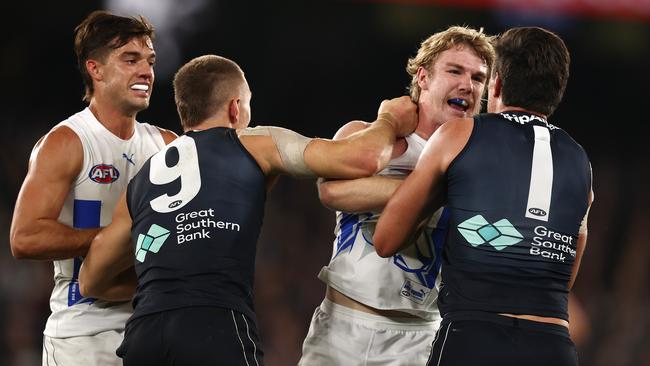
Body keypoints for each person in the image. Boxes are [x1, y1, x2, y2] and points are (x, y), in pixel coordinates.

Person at [77, 54, 418, 366]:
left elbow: (91, 279)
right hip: (214, 325)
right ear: (236, 108)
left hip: (145, 334)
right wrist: (389, 118)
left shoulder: (142, 180)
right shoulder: (252, 143)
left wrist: (165, 285)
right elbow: (363, 158)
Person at [374, 27, 593, 366]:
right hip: (553, 346)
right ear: (557, 92)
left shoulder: (460, 134)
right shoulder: (581, 161)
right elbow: (564, 276)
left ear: (497, 83)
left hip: (474, 337)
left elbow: (386, 239)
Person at [299, 26, 495, 365]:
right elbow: (330, 191)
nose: (468, 84)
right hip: (341, 328)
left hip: (418, 338)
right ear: (423, 77)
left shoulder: (479, 163)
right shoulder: (365, 136)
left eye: (478, 78)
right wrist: (436, 191)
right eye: (455, 70)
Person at [9, 10, 176, 366]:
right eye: (130, 60)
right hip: (83, 334)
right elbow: (24, 238)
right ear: (95, 69)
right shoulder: (68, 142)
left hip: (154, 327)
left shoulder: (167, 145)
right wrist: (114, 239)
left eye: (150, 61)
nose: (146, 71)